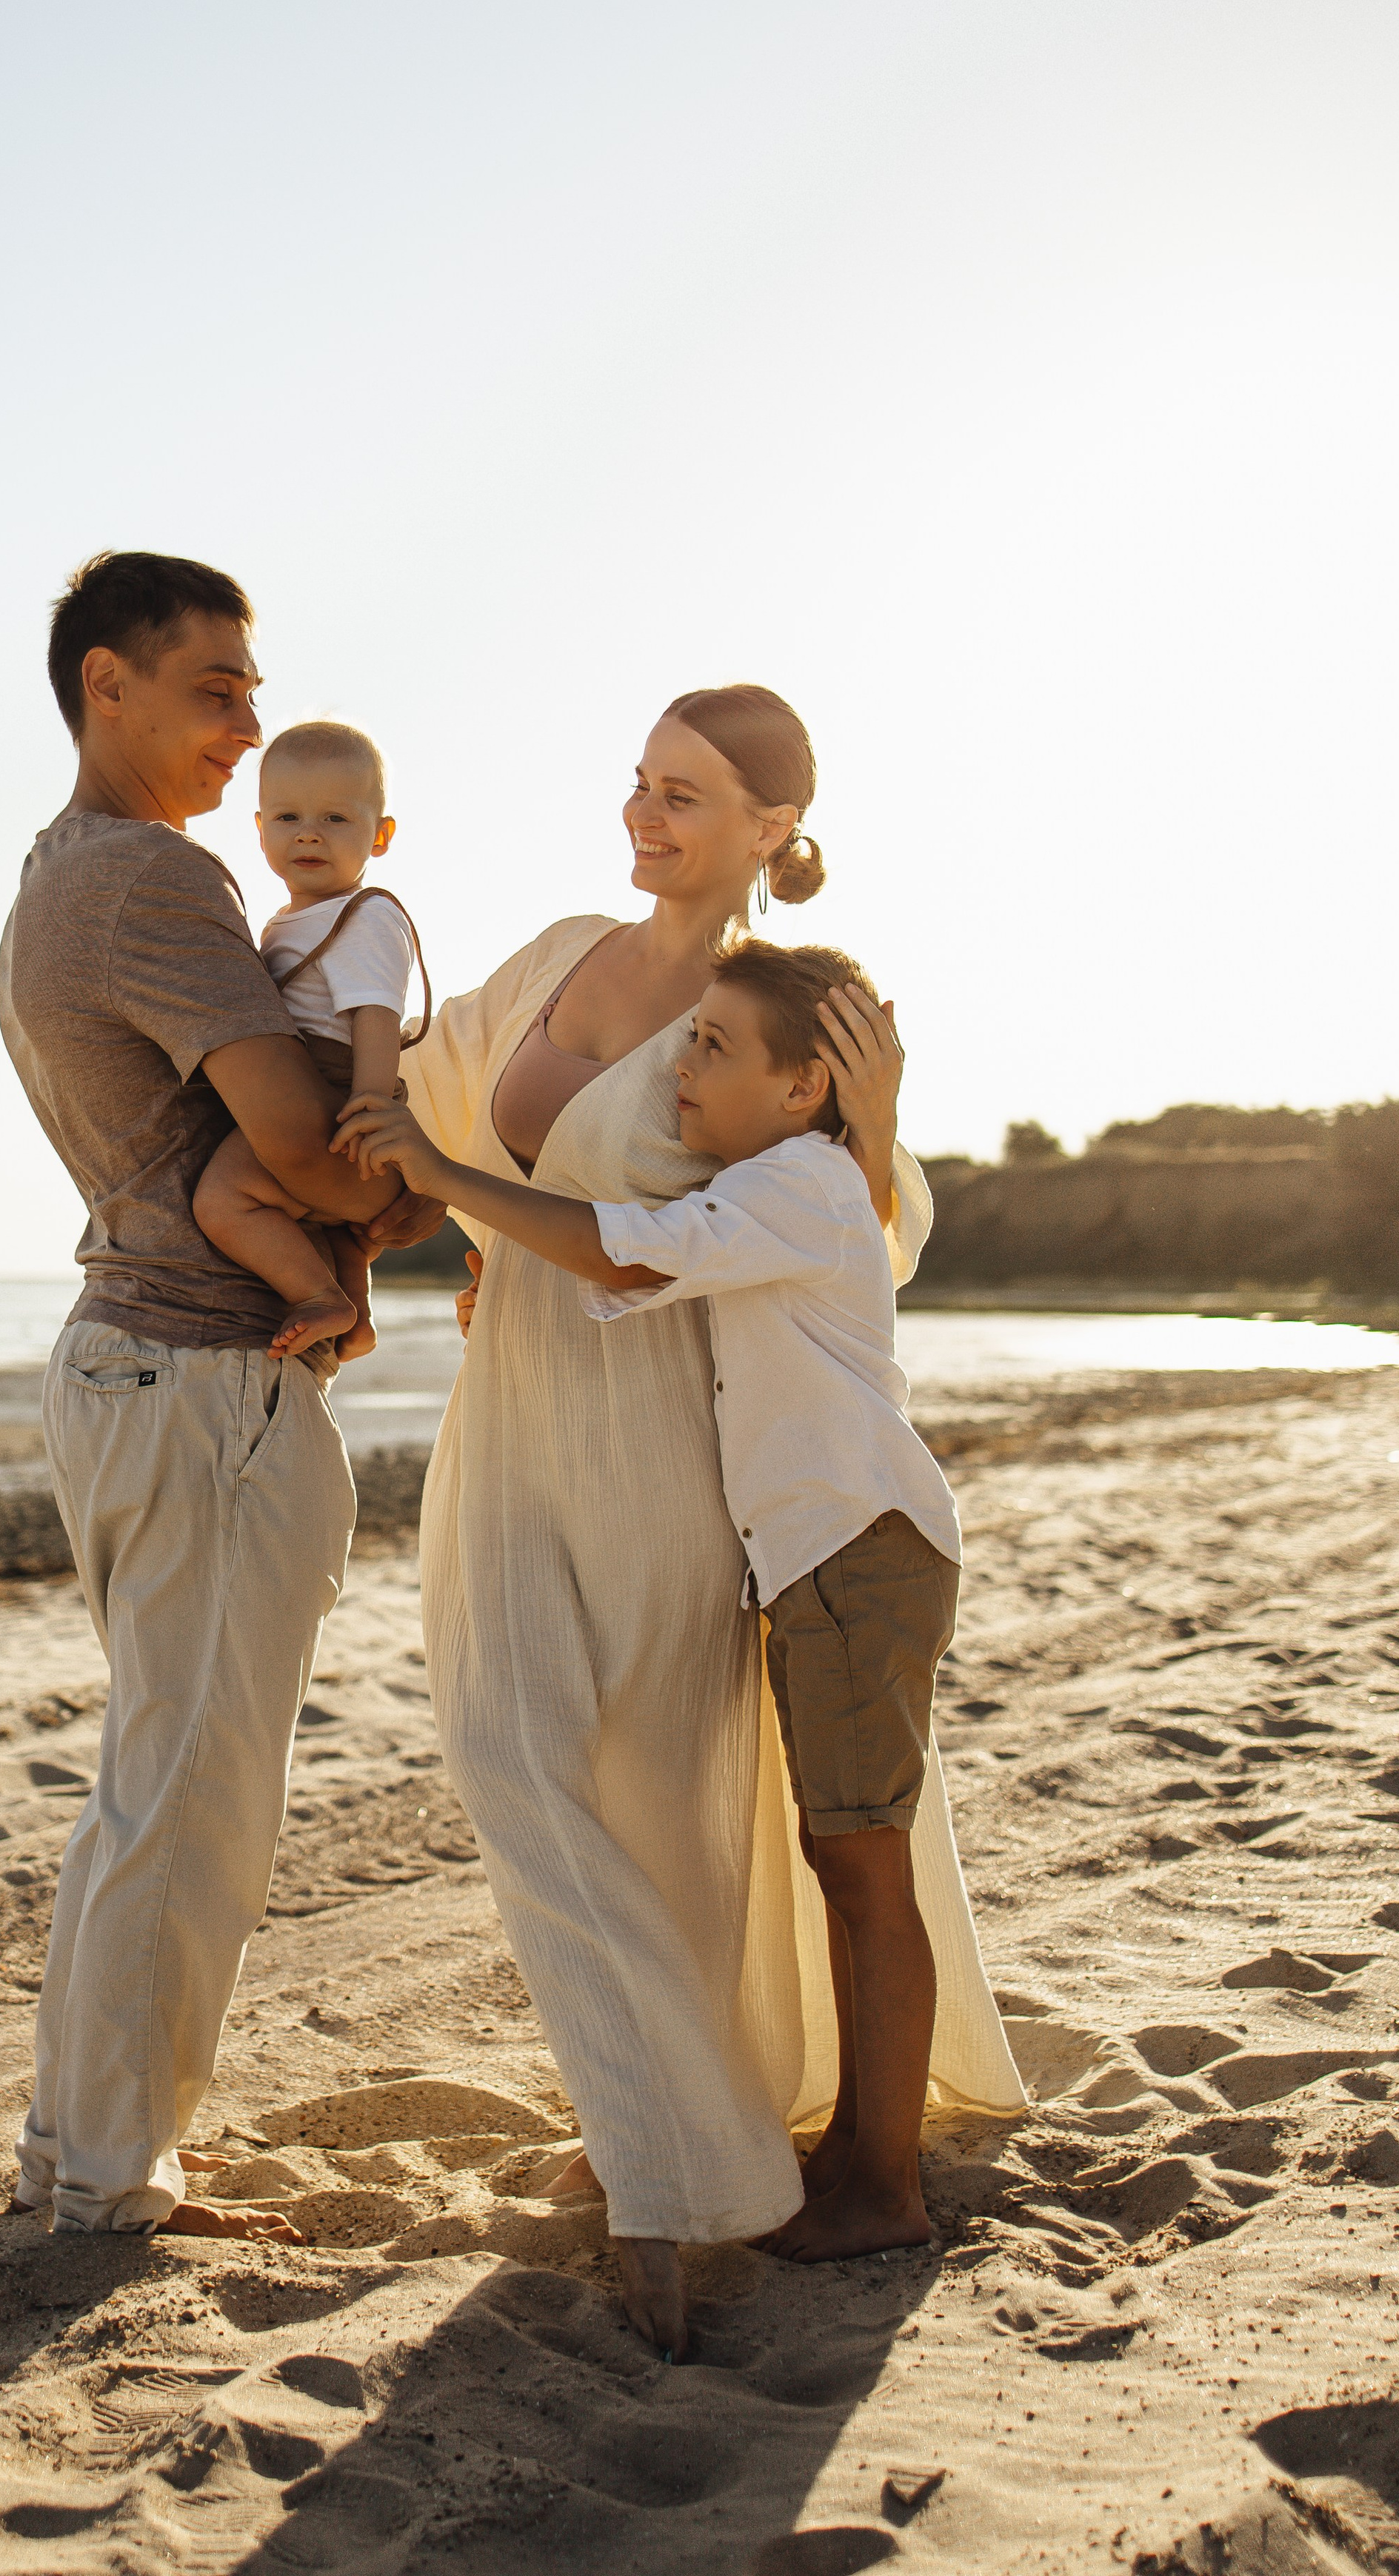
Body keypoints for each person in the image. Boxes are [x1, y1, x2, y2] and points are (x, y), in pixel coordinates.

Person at [367, 683, 1023, 2360]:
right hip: (510, 1412)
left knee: (657, 1796)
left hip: (670, 1439)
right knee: (509, 1752)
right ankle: (682, 2139)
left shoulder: (786, 1010)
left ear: (770, 830)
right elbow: (414, 1108)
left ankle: (669, 2156)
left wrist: (872, 1129)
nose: (643, 814)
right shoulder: (565, 949)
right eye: (638, 781)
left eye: (683, 792)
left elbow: (872, 1231)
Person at [0, 551, 440, 2236]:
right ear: (107, 684)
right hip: (195, 1377)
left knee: (150, 1777)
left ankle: (82, 2141)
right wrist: (442, 1185)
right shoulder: (156, 884)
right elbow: (310, 1159)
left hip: (127, 1358)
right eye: (214, 690)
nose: (248, 727)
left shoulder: (55, 874)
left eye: (258, 693)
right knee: (193, 1792)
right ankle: (112, 2173)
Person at [193, 720, 430, 1361]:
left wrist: (372, 1108)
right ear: (261, 827)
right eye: (289, 817)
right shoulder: (290, 920)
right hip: (304, 1089)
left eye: (335, 818)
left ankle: (319, 1298)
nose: (309, 833)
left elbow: (376, 1016)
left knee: (223, 1199)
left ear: (379, 836)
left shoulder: (365, 915)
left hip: (332, 1092)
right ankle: (354, 1322)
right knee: (345, 1238)